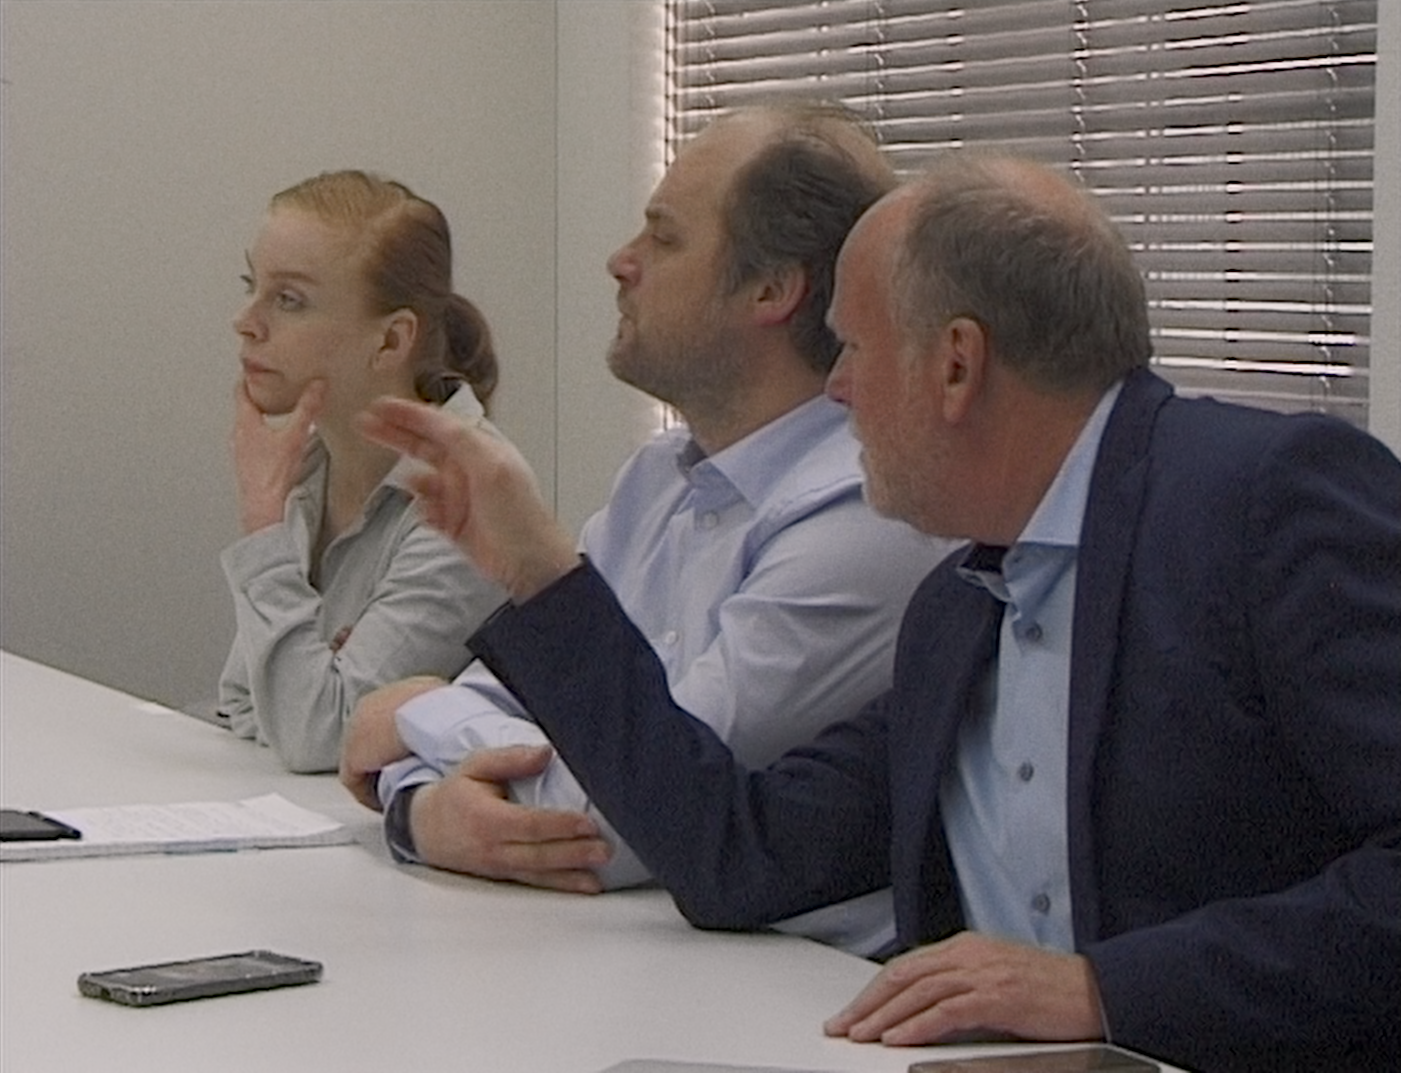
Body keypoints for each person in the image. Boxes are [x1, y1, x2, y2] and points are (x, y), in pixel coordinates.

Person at [357, 151, 1401, 1073]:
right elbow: (734, 856)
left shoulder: (1265, 500)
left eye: (853, 349)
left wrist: (1103, 987)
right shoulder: (962, 604)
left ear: (955, 364)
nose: (838, 391)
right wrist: (540, 572)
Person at [338, 104, 957, 956]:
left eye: (663, 238)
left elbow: (619, 821)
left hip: (794, 982)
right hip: (641, 954)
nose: (620, 261)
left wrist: (417, 721)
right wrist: (420, 808)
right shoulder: (659, 476)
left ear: (772, 290)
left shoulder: (863, 509)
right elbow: (520, 723)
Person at [218, 170, 506, 773]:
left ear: (391, 341)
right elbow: (244, 702)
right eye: (251, 286)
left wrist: (264, 529)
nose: (245, 321)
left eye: (288, 300)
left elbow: (320, 737)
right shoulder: (308, 466)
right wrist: (313, 687)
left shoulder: (467, 493)